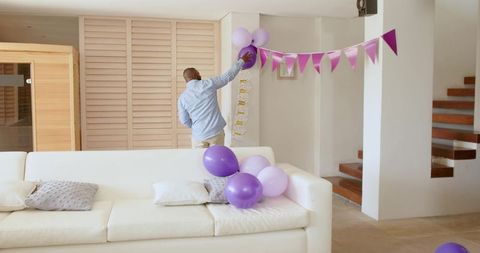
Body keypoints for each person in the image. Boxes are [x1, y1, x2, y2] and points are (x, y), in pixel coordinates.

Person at [178, 52, 253, 148]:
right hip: (216, 133)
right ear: (194, 74)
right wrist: (241, 61)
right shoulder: (209, 84)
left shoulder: (182, 98)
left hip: (198, 135)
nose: (199, 74)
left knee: (199, 161)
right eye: (198, 72)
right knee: (217, 161)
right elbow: (227, 76)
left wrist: (196, 127)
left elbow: (184, 120)